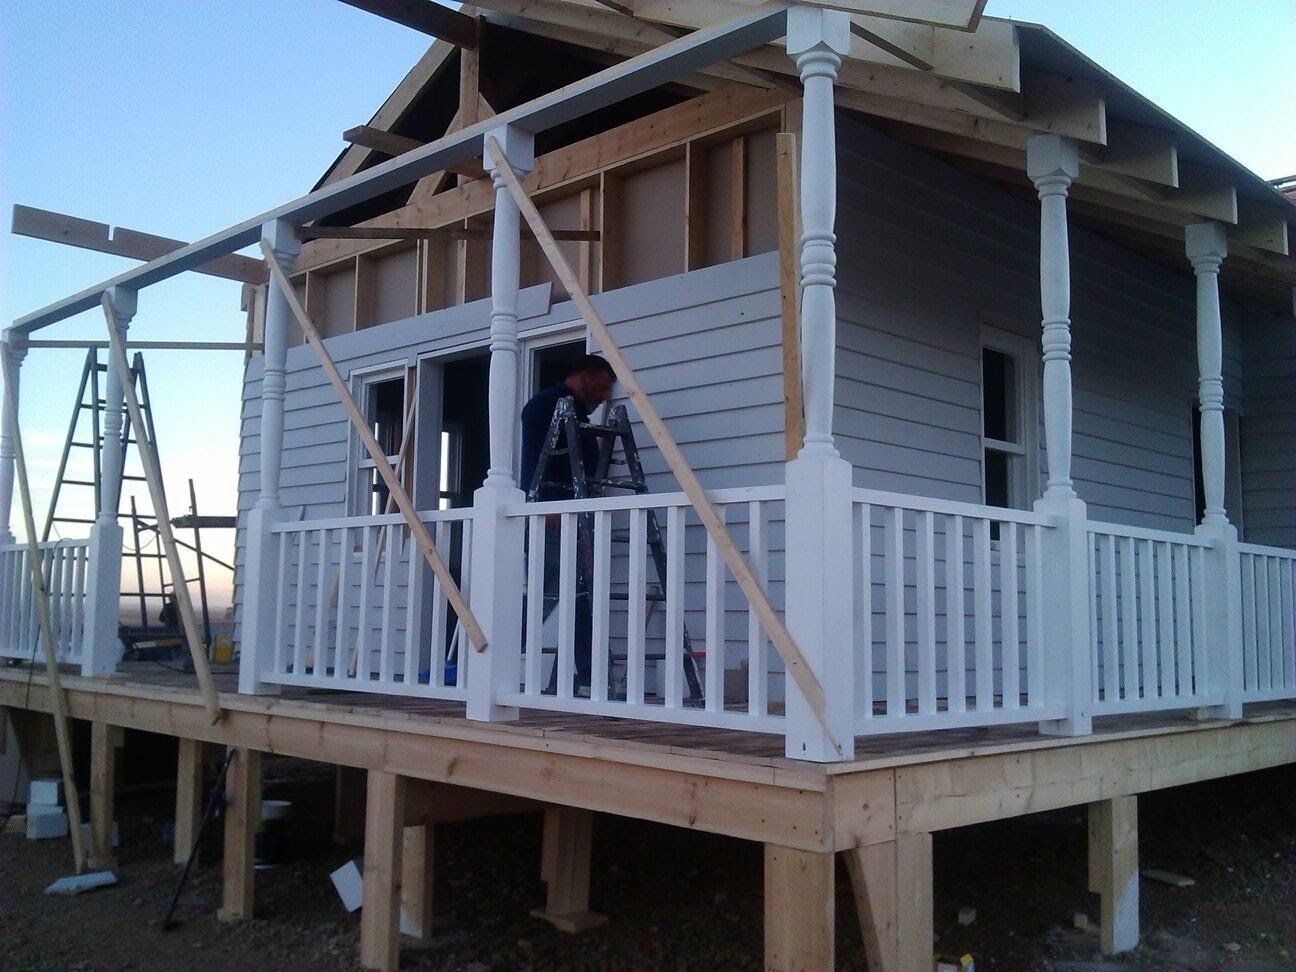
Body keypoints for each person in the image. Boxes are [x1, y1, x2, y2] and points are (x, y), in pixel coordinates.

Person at [519, 355, 616, 694]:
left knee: (577, 596)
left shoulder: (575, 414)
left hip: (576, 522)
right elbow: (534, 462)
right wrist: (547, 510)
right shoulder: (544, 407)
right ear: (580, 376)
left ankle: (583, 674)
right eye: (601, 387)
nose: (604, 397)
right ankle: (514, 664)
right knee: (546, 596)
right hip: (551, 519)